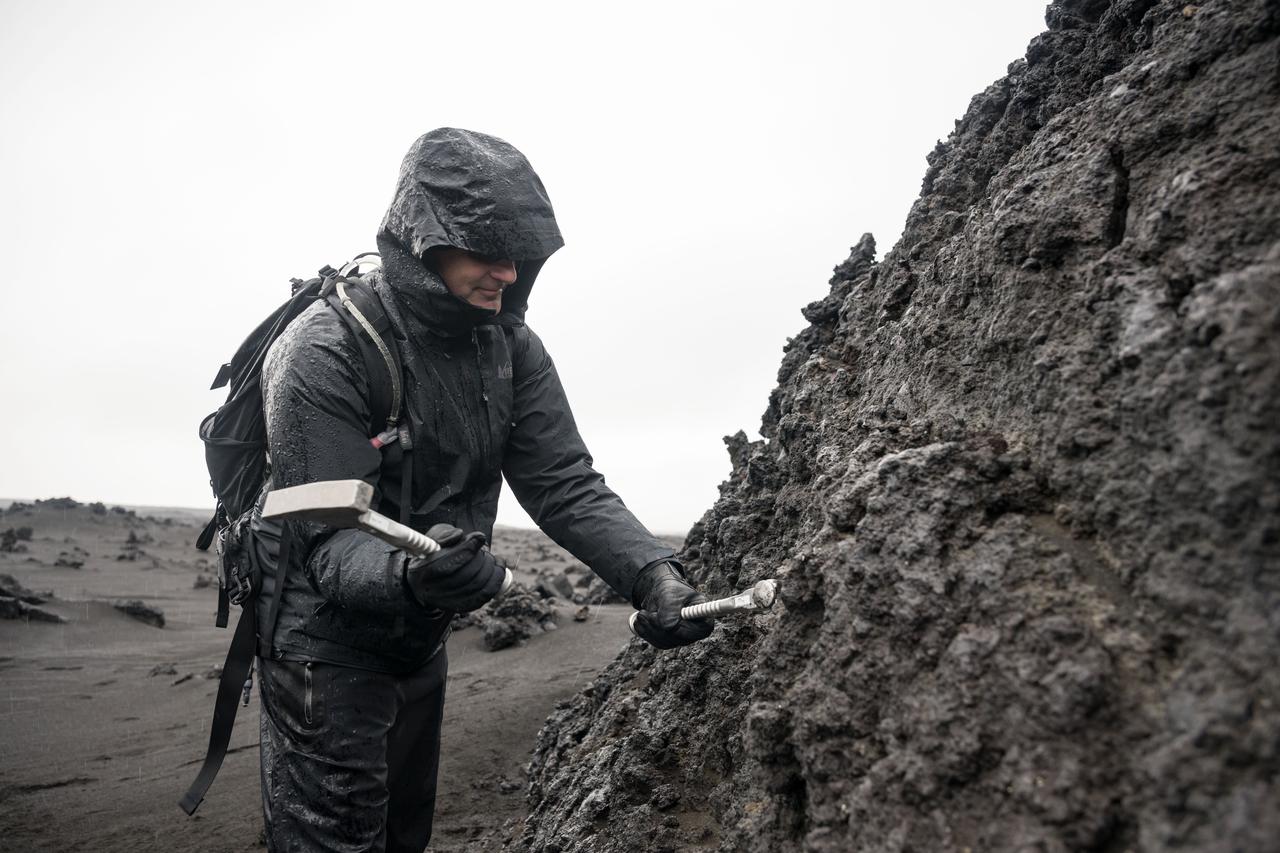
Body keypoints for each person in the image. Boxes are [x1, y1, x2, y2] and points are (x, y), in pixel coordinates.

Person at [253, 127, 713, 853]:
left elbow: (564, 484)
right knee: (335, 843)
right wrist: (414, 572)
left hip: (419, 634)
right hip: (322, 648)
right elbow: (327, 543)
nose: (507, 271)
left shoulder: (510, 348)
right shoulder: (325, 348)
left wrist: (652, 572)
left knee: (403, 838)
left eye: (518, 255)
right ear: (422, 242)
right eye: (486, 250)